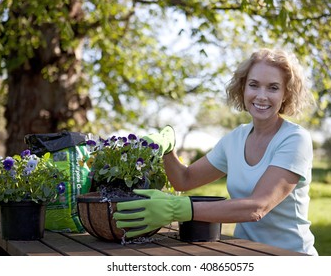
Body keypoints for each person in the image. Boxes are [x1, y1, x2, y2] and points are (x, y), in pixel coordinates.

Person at [114, 48, 318, 255]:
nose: (261, 96)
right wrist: (168, 148)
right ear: (243, 88)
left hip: (291, 257)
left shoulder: (294, 139)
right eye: (254, 85)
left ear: (286, 94)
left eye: (273, 88)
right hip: (246, 253)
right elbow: (184, 180)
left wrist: (178, 209)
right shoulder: (235, 139)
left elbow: (257, 207)